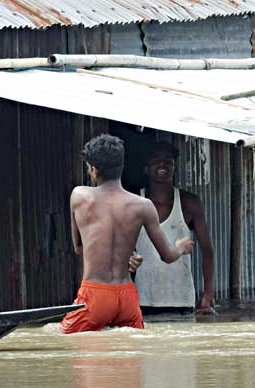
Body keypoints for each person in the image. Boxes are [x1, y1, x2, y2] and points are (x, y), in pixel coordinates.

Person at [63, 134, 192, 333]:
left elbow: (79, 247)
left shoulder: (79, 196)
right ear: (122, 166)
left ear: (93, 170)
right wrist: (180, 247)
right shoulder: (143, 205)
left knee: (65, 339)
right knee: (131, 359)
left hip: (94, 294)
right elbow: (167, 256)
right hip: (128, 298)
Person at [122, 143, 216, 315]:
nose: (162, 164)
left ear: (174, 167)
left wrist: (208, 293)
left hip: (181, 298)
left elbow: (207, 251)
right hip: (143, 299)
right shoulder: (134, 203)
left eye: (168, 161)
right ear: (146, 168)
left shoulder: (190, 203)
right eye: (156, 160)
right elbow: (119, 247)